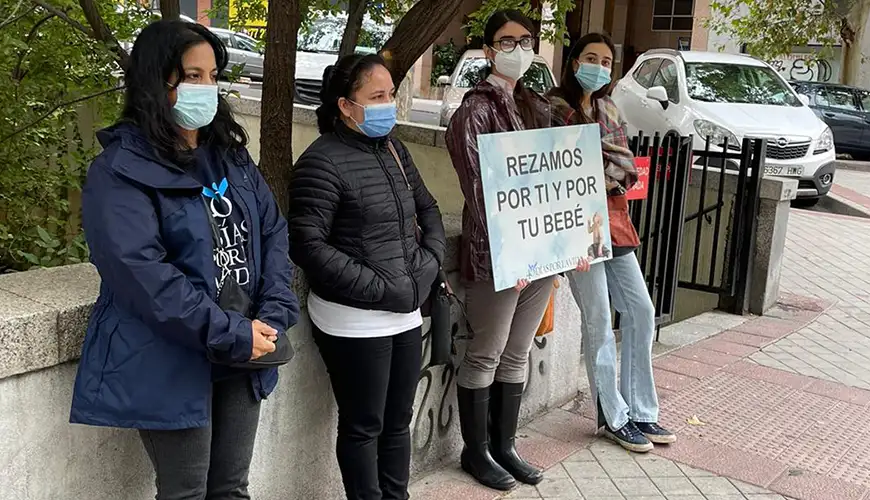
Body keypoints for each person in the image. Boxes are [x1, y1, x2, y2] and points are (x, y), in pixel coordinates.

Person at [70, 20, 299, 499]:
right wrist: (230, 331)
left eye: (213, 76)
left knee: (232, 488)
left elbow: (273, 232)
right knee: (186, 492)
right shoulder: (119, 171)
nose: (207, 88)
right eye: (192, 77)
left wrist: (272, 315)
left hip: (245, 347)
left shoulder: (230, 156)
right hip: (171, 354)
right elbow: (141, 274)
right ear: (157, 82)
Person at [288, 53, 446, 500]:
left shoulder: (395, 149)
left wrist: (429, 260)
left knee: (398, 422)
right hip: (353, 319)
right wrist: (378, 287)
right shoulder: (321, 161)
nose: (389, 105)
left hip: (406, 308)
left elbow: (428, 209)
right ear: (345, 105)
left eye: (391, 94)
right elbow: (308, 247)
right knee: (364, 426)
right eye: (377, 96)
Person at [445, 9, 586, 491]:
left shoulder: (538, 107)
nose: (519, 50)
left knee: (517, 353)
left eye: (526, 41)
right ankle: (476, 451)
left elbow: (562, 182)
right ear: (488, 50)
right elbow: (480, 191)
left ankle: (504, 445)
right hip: (497, 257)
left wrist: (574, 242)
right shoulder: (473, 111)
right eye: (507, 41)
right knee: (485, 353)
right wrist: (517, 252)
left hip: (541, 255)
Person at [546, 32, 676, 453]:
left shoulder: (608, 108)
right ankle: (612, 415)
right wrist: (599, 174)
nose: (598, 67)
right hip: (575, 230)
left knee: (641, 309)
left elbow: (627, 170)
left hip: (614, 225)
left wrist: (594, 173)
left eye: (605, 61)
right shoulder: (554, 108)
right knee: (599, 320)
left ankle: (641, 410)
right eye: (590, 58)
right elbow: (559, 170)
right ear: (573, 62)